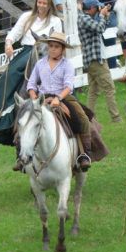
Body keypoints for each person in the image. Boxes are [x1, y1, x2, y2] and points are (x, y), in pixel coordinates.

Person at [0, 0, 63, 145]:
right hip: (28, 51)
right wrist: (8, 44)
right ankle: (3, 124)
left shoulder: (55, 21)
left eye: (44, 3)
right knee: (8, 76)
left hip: (48, 52)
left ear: (49, 5)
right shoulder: (27, 16)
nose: (41, 6)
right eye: (39, 3)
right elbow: (14, 33)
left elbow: (59, 39)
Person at [25, 31, 93, 171]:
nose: (53, 49)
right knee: (23, 120)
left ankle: (84, 154)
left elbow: (69, 86)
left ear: (62, 49)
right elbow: (31, 85)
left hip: (63, 97)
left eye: (56, 46)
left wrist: (58, 98)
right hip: (42, 98)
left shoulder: (67, 64)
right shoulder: (39, 64)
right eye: (50, 46)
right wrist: (34, 100)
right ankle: (22, 156)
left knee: (82, 118)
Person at [77, 0, 121, 123]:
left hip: (93, 59)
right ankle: (116, 118)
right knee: (109, 88)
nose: (98, 9)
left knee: (94, 91)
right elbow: (99, 28)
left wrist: (104, 16)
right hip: (95, 59)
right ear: (91, 8)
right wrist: (102, 16)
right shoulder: (83, 18)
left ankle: (88, 118)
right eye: (96, 7)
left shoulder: (85, 17)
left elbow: (100, 28)